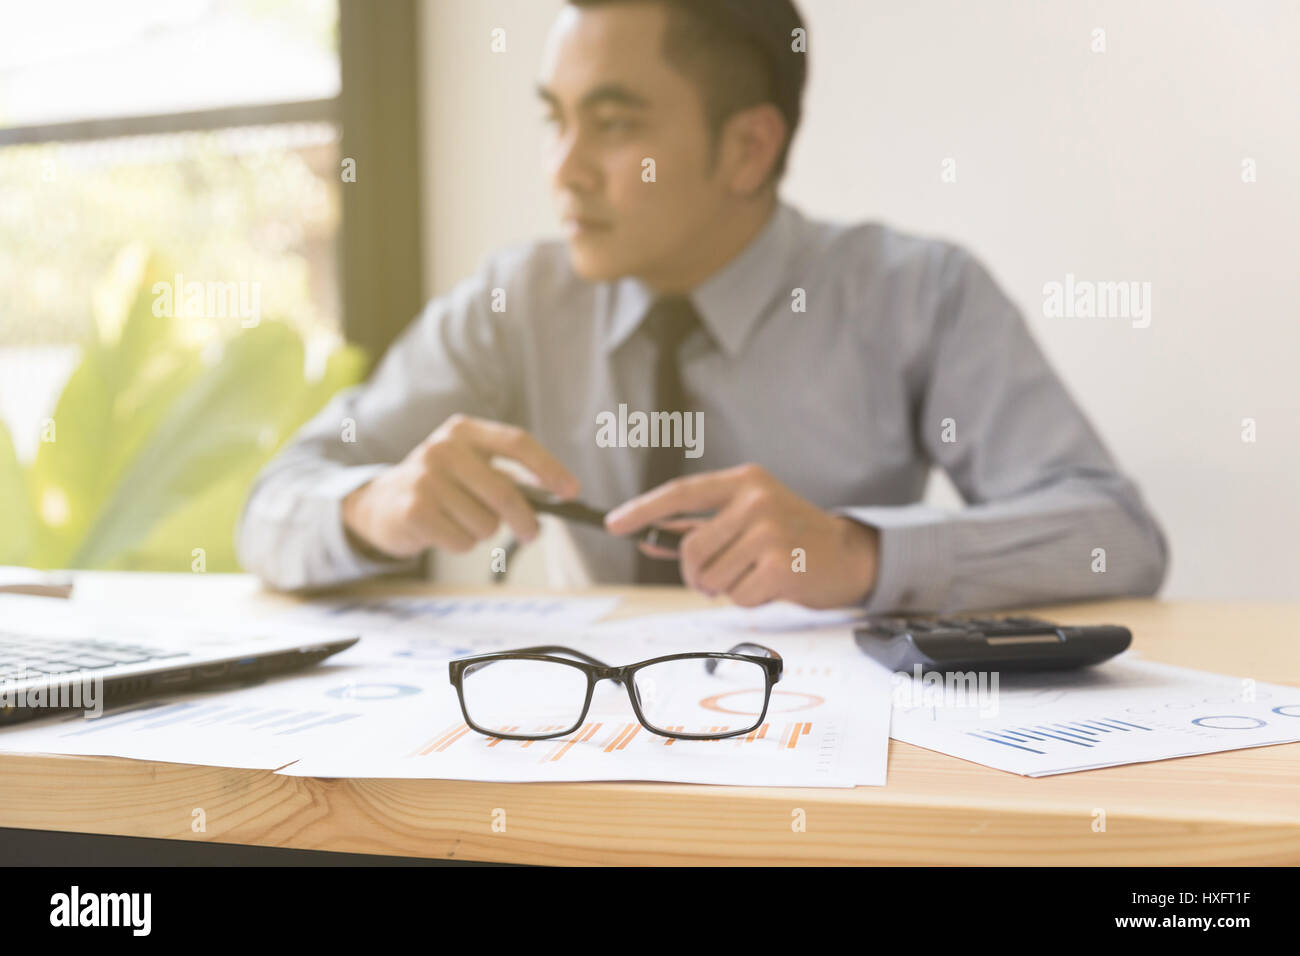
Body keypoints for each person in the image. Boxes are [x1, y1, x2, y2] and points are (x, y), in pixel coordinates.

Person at [236, 0, 1168, 612]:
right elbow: (272, 505)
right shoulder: (516, 301)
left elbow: (1114, 536)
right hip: (578, 747)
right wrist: (372, 507)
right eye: (554, 120)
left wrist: (858, 554)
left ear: (748, 151)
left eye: (613, 125)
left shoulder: (916, 292)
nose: (561, 170)